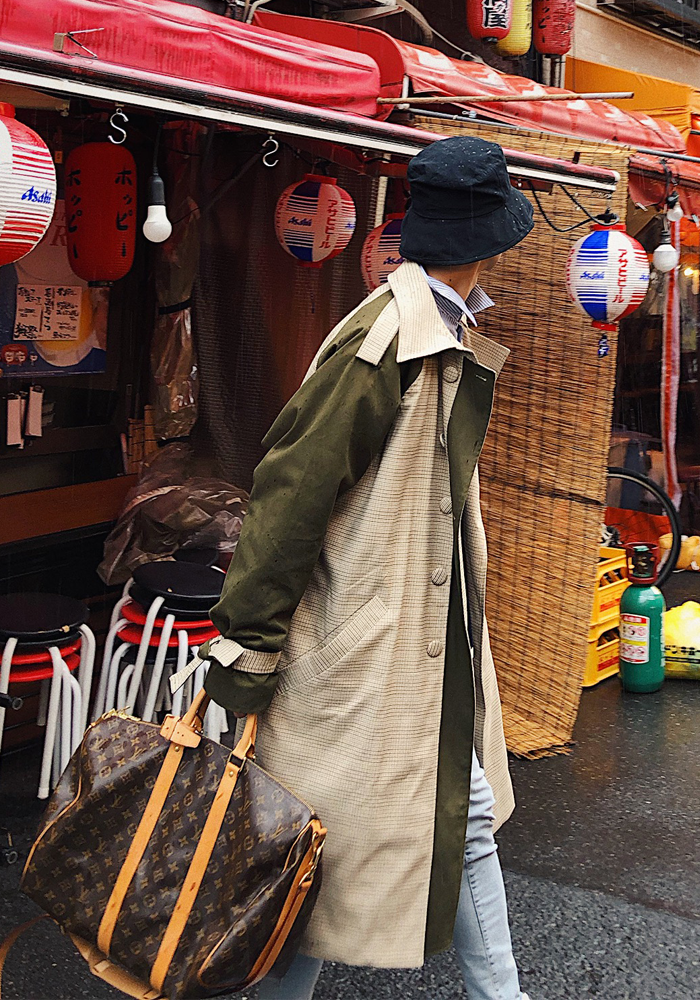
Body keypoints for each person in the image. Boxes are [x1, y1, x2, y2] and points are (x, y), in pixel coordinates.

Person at [192, 135, 535, 1000]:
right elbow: (287, 498)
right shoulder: (386, 341)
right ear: (485, 240)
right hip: (362, 657)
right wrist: (246, 657)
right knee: (306, 859)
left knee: (411, 835)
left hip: (414, 652)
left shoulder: (435, 326)